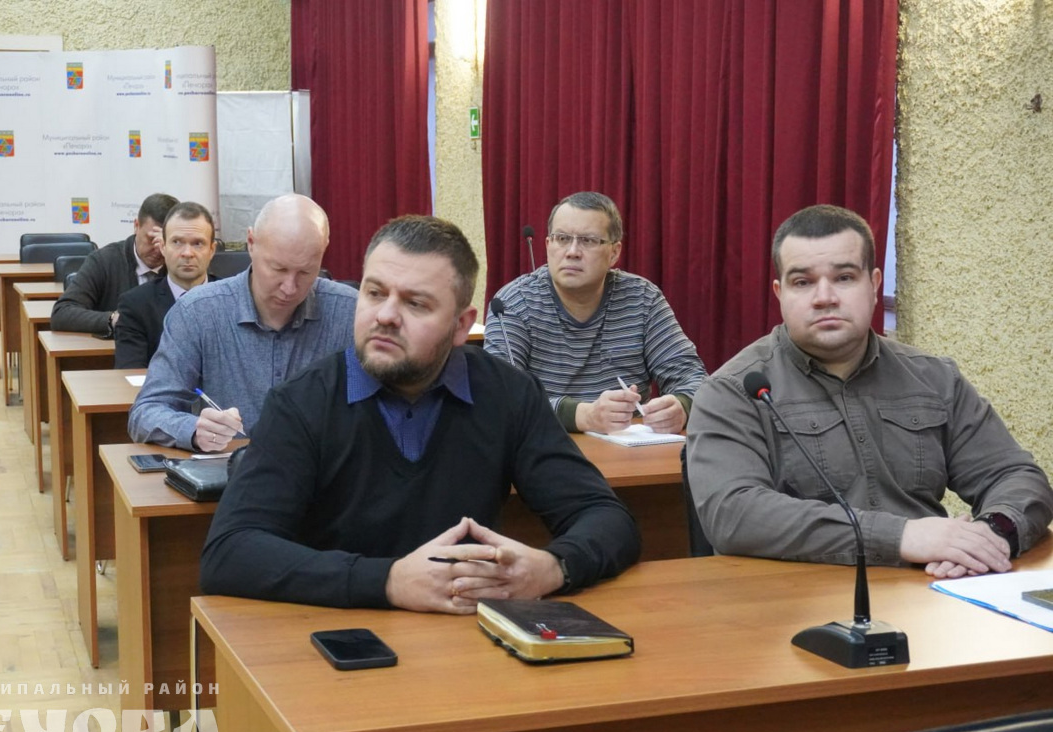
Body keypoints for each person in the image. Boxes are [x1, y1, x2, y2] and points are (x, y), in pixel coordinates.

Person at [200, 215, 641, 612]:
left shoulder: (507, 394)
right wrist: (388, 581)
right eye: (374, 293)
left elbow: (607, 518)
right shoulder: (301, 403)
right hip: (340, 639)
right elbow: (230, 553)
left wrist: (554, 567)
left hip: (468, 640)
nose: (386, 316)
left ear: (461, 325)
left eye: (416, 304)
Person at [686, 204, 1052, 578]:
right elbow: (733, 514)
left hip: (931, 588)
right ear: (780, 293)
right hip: (795, 597)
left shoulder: (934, 378)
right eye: (803, 282)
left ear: (874, 285)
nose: (824, 297)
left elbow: (1016, 476)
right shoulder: (733, 391)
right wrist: (901, 536)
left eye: (844, 277)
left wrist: (992, 534)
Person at [127, 194, 356, 451]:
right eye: (278, 269)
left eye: (305, 271)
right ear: (251, 243)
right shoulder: (198, 312)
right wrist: (194, 430)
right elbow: (146, 412)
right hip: (231, 469)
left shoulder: (350, 313)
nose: (289, 288)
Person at [484, 191, 706, 435]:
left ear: (614, 253)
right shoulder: (513, 303)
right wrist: (584, 416)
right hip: (543, 446)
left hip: (628, 449)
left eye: (588, 241)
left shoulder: (642, 299)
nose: (572, 252)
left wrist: (681, 406)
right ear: (548, 245)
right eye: (562, 239)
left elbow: (693, 378)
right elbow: (499, 397)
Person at [50, 193, 179, 335]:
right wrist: (113, 319)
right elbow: (62, 313)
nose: (158, 249)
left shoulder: (184, 266)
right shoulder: (104, 260)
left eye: (166, 241)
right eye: (151, 239)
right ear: (136, 226)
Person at [114, 202, 218, 369]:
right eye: (177, 242)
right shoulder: (136, 305)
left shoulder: (234, 301)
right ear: (162, 247)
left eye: (198, 243)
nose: (187, 253)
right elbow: (130, 373)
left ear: (212, 250)